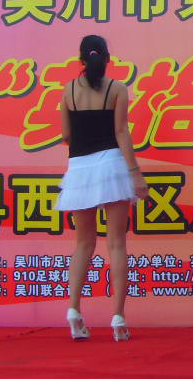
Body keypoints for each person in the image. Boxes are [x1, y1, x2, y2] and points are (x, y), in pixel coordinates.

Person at [55, 35, 148, 341]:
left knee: (83, 244)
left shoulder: (68, 90)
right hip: (111, 166)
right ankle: (118, 319)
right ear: (108, 58)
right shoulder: (117, 89)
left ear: (81, 60)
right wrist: (135, 173)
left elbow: (66, 135)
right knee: (116, 244)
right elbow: (121, 132)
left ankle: (73, 310)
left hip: (79, 169)